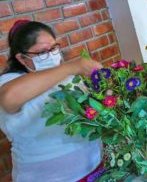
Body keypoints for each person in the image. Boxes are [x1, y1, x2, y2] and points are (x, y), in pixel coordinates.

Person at [0, 20, 104, 182]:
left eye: (54, 48)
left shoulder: (67, 77)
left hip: (93, 167)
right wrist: (71, 67)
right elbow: (9, 98)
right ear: (21, 58)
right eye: (42, 52)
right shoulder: (9, 81)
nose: (52, 55)